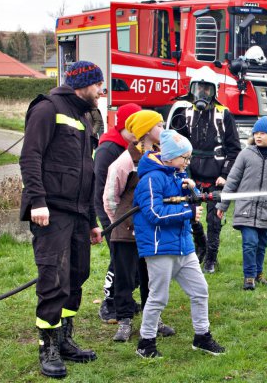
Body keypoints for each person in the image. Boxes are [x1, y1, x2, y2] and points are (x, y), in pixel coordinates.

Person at [19, 60, 104, 379]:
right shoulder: (47, 108)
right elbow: (30, 156)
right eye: (98, 84)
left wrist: (93, 220)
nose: (101, 91)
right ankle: (48, 346)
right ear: (83, 84)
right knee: (53, 279)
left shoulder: (83, 116)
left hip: (80, 213)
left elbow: (87, 171)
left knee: (77, 275)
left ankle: (66, 338)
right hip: (51, 211)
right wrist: (37, 201)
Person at [133, 130, 225, 358]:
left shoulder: (177, 175)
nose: (187, 162)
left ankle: (202, 337)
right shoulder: (151, 179)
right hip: (159, 248)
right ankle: (146, 343)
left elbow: (187, 201)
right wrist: (188, 211)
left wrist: (192, 189)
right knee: (158, 297)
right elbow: (154, 213)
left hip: (184, 246)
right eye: (184, 157)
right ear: (170, 156)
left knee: (200, 290)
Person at [103, 110, 175, 342]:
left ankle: (152, 318)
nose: (163, 129)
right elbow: (110, 197)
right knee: (124, 277)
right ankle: (124, 321)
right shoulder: (125, 161)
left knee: (151, 277)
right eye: (159, 126)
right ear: (145, 131)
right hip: (125, 232)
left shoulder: (163, 156)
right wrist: (120, 223)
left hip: (152, 230)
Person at [174, 66, 241, 274]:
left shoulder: (224, 116)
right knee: (190, 214)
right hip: (192, 176)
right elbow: (178, 145)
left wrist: (225, 175)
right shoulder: (184, 114)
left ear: (215, 91)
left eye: (207, 89)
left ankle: (211, 259)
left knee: (215, 219)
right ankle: (200, 245)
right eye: (198, 88)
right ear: (192, 89)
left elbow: (234, 150)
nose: (202, 93)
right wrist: (183, 174)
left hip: (216, 178)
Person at [216, 116, 267, 290]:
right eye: (256, 133)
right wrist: (222, 205)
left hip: (266, 211)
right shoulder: (245, 154)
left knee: (261, 245)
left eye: (263, 133)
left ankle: (259, 274)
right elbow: (232, 180)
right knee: (250, 243)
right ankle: (249, 277)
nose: (258, 136)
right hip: (245, 209)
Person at [94, 102, 142, 324]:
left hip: (130, 215)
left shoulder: (134, 146)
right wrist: (110, 221)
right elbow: (102, 189)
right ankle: (109, 302)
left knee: (132, 261)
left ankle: (127, 299)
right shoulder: (108, 149)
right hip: (111, 214)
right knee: (118, 259)